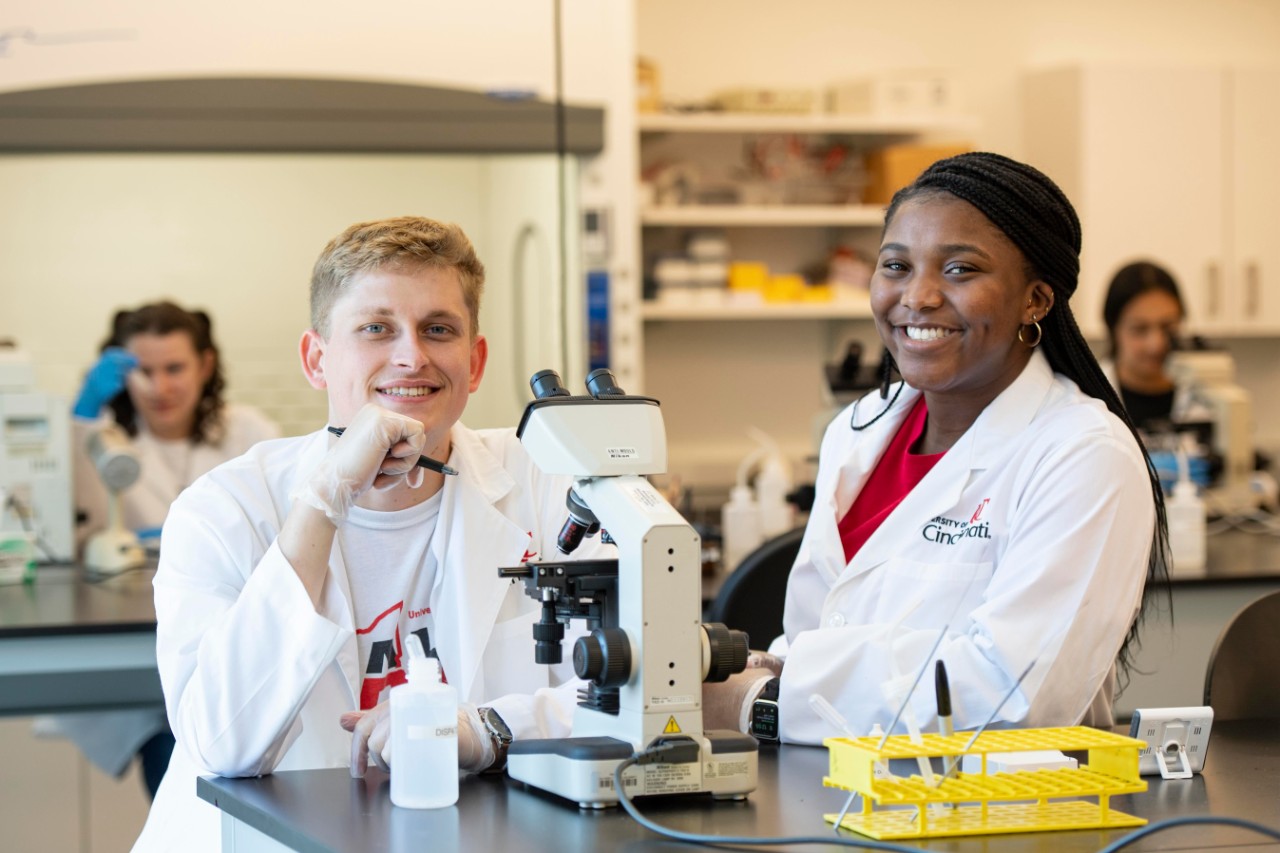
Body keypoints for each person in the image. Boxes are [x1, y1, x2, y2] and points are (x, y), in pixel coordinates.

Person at [133, 217, 612, 851]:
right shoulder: (224, 509)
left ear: (474, 362)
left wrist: (490, 728)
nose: (411, 356)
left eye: (438, 329)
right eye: (376, 329)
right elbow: (223, 745)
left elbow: (647, 694)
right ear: (317, 359)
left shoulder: (550, 482)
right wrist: (323, 500)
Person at [705, 152, 1170, 745]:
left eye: (960, 269)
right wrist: (759, 668)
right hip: (831, 781)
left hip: (1005, 797)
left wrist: (763, 703)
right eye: (896, 265)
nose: (918, 296)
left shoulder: (1084, 455)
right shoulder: (857, 431)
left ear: (1035, 299)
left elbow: (1014, 696)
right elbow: (819, 637)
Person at [51, 302, 278, 800]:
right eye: (144, 371)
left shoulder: (248, 432)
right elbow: (72, 519)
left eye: (174, 368)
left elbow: (282, 525)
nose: (160, 386)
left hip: (231, 627)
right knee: (178, 753)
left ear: (205, 365)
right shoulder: (106, 439)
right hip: (140, 644)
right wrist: (82, 418)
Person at [1101, 261, 1186, 432]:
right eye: (1140, 329)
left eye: (1168, 327)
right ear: (1113, 329)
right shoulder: (1090, 397)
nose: (1156, 345)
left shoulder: (1204, 397)